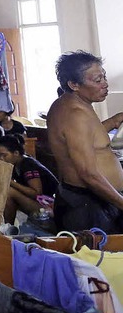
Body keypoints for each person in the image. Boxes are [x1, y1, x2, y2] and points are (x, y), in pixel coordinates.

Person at [47, 50, 123, 233]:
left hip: (91, 199)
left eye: (104, 77)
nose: (105, 84)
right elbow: (89, 174)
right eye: (97, 81)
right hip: (88, 207)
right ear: (74, 84)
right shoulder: (76, 115)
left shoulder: (69, 104)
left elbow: (86, 138)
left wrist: (113, 121)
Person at [0, 134, 58, 224]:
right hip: (41, 203)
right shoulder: (16, 164)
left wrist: (10, 182)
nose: (1, 159)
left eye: (4, 155)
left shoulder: (28, 164)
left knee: (8, 192)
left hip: (50, 206)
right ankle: (8, 228)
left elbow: (36, 193)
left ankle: (8, 228)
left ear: (16, 153)